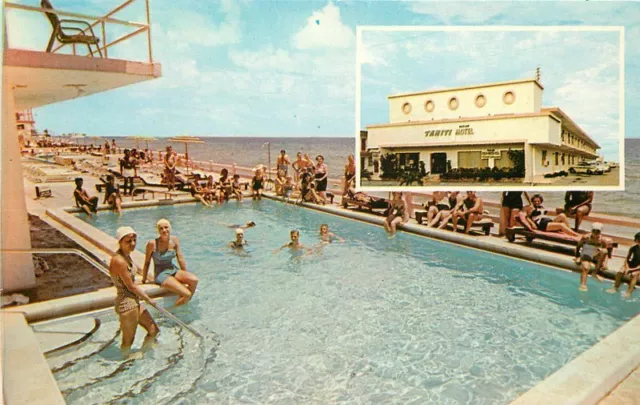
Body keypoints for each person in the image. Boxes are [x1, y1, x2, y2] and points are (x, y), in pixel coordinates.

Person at [109, 226, 159, 359]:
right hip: (127, 304)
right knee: (128, 342)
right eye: (128, 241)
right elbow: (131, 286)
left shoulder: (126, 256)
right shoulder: (118, 260)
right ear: (119, 242)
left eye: (134, 240)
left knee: (153, 329)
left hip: (134, 300)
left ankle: (143, 354)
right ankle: (124, 365)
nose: (132, 244)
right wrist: (148, 299)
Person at [142, 219, 199, 306]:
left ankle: (183, 302)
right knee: (187, 294)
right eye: (161, 228)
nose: (164, 230)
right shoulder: (152, 244)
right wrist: (144, 279)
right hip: (161, 274)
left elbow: (180, 258)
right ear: (158, 231)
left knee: (194, 280)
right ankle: (172, 311)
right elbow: (147, 262)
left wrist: (184, 272)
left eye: (166, 227)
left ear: (170, 228)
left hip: (173, 269)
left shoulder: (174, 240)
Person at [575, 222, 607, 291]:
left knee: (604, 251)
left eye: (597, 231)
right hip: (586, 254)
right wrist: (577, 257)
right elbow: (578, 247)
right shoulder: (585, 238)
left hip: (595, 255)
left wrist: (605, 263)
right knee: (586, 267)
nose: (595, 233)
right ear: (591, 230)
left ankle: (595, 273)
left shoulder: (602, 240)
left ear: (600, 232)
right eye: (594, 230)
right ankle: (583, 284)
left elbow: (606, 252)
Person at [607, 232, 640, 297]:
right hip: (632, 264)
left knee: (634, 274)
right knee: (620, 271)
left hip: (638, 266)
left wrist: (631, 270)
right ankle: (615, 287)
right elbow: (627, 259)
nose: (637, 241)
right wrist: (627, 267)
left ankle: (629, 292)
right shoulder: (633, 247)